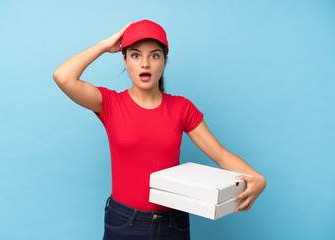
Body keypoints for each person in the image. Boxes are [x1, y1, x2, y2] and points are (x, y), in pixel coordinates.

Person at [53, 19, 266, 240]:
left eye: (154, 55)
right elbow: (63, 76)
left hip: (173, 224)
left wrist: (257, 178)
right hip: (125, 223)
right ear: (124, 61)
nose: (145, 63)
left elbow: (220, 154)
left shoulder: (181, 107)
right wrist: (105, 45)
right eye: (135, 55)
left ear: (164, 61)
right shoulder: (109, 103)